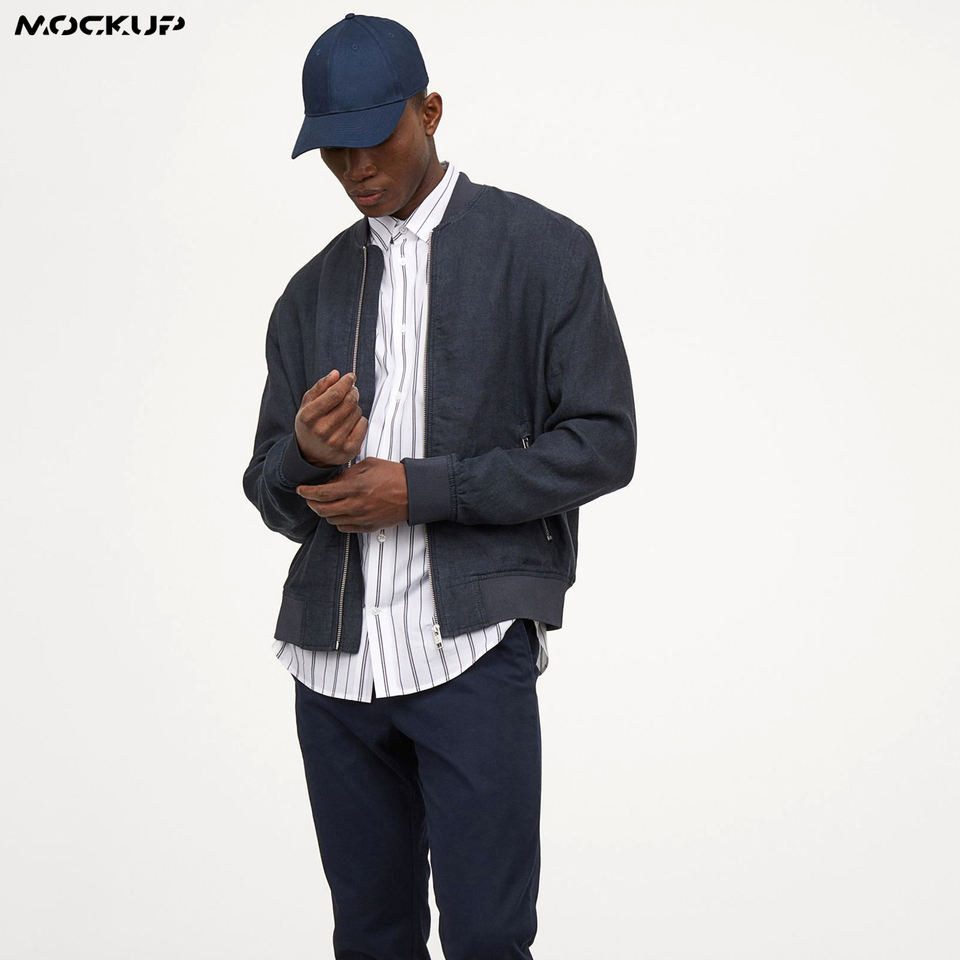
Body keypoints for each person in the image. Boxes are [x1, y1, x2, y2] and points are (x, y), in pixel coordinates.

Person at [242, 13, 636, 960]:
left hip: (470, 648)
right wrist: (303, 455)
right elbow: (267, 492)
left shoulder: (544, 251)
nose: (355, 169)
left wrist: (419, 491)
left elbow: (603, 445)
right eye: (333, 151)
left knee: (490, 936)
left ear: (430, 111)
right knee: (370, 937)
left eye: (374, 138)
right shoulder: (308, 293)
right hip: (332, 661)